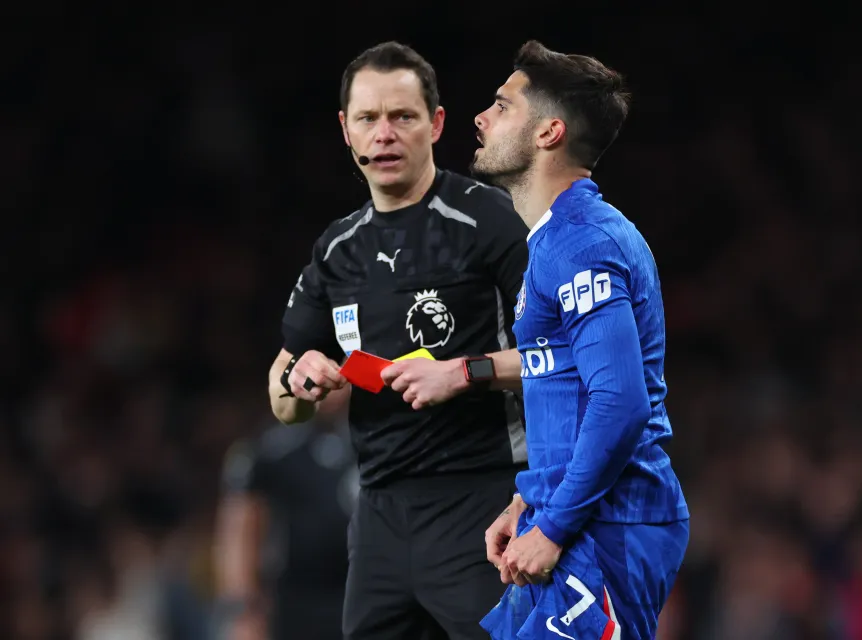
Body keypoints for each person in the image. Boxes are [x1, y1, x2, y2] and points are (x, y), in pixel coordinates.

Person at [387, 40, 690, 640]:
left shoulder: (583, 243)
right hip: (575, 517)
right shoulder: (557, 241)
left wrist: (554, 525)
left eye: (501, 106)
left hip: (608, 526)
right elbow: (563, 367)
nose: (481, 117)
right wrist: (532, 501)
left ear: (548, 132)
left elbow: (620, 400)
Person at [267, 41, 531, 640]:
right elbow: (283, 390)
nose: (384, 134)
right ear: (346, 131)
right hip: (380, 514)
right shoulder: (337, 249)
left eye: (402, 116)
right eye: (368, 119)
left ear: (435, 124)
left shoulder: (489, 220)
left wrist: (464, 371)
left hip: (483, 501)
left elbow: (564, 353)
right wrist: (299, 381)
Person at [214, 387, 353, 640]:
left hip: (365, 596)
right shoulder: (274, 446)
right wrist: (242, 610)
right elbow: (241, 523)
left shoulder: (377, 438)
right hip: (296, 602)